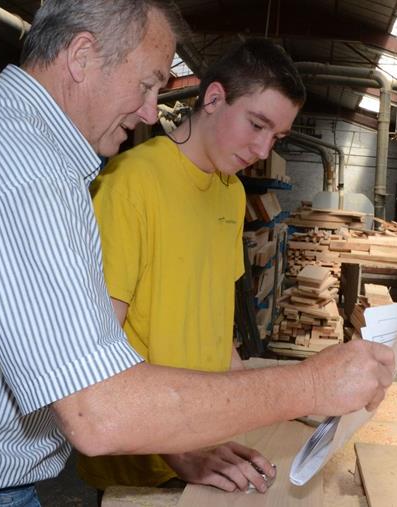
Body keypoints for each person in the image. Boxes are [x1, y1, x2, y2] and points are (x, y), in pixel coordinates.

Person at [0, 1, 395, 505]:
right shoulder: (22, 172)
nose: (153, 112)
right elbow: (99, 412)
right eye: (148, 83)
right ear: (82, 55)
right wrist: (310, 385)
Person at [79, 39, 305, 494]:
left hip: (205, 435)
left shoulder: (231, 192)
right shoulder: (129, 182)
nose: (263, 149)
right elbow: (95, 352)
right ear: (214, 98)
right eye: (257, 125)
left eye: (277, 138)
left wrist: (263, 402)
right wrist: (175, 447)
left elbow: (215, 324)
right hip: (144, 460)